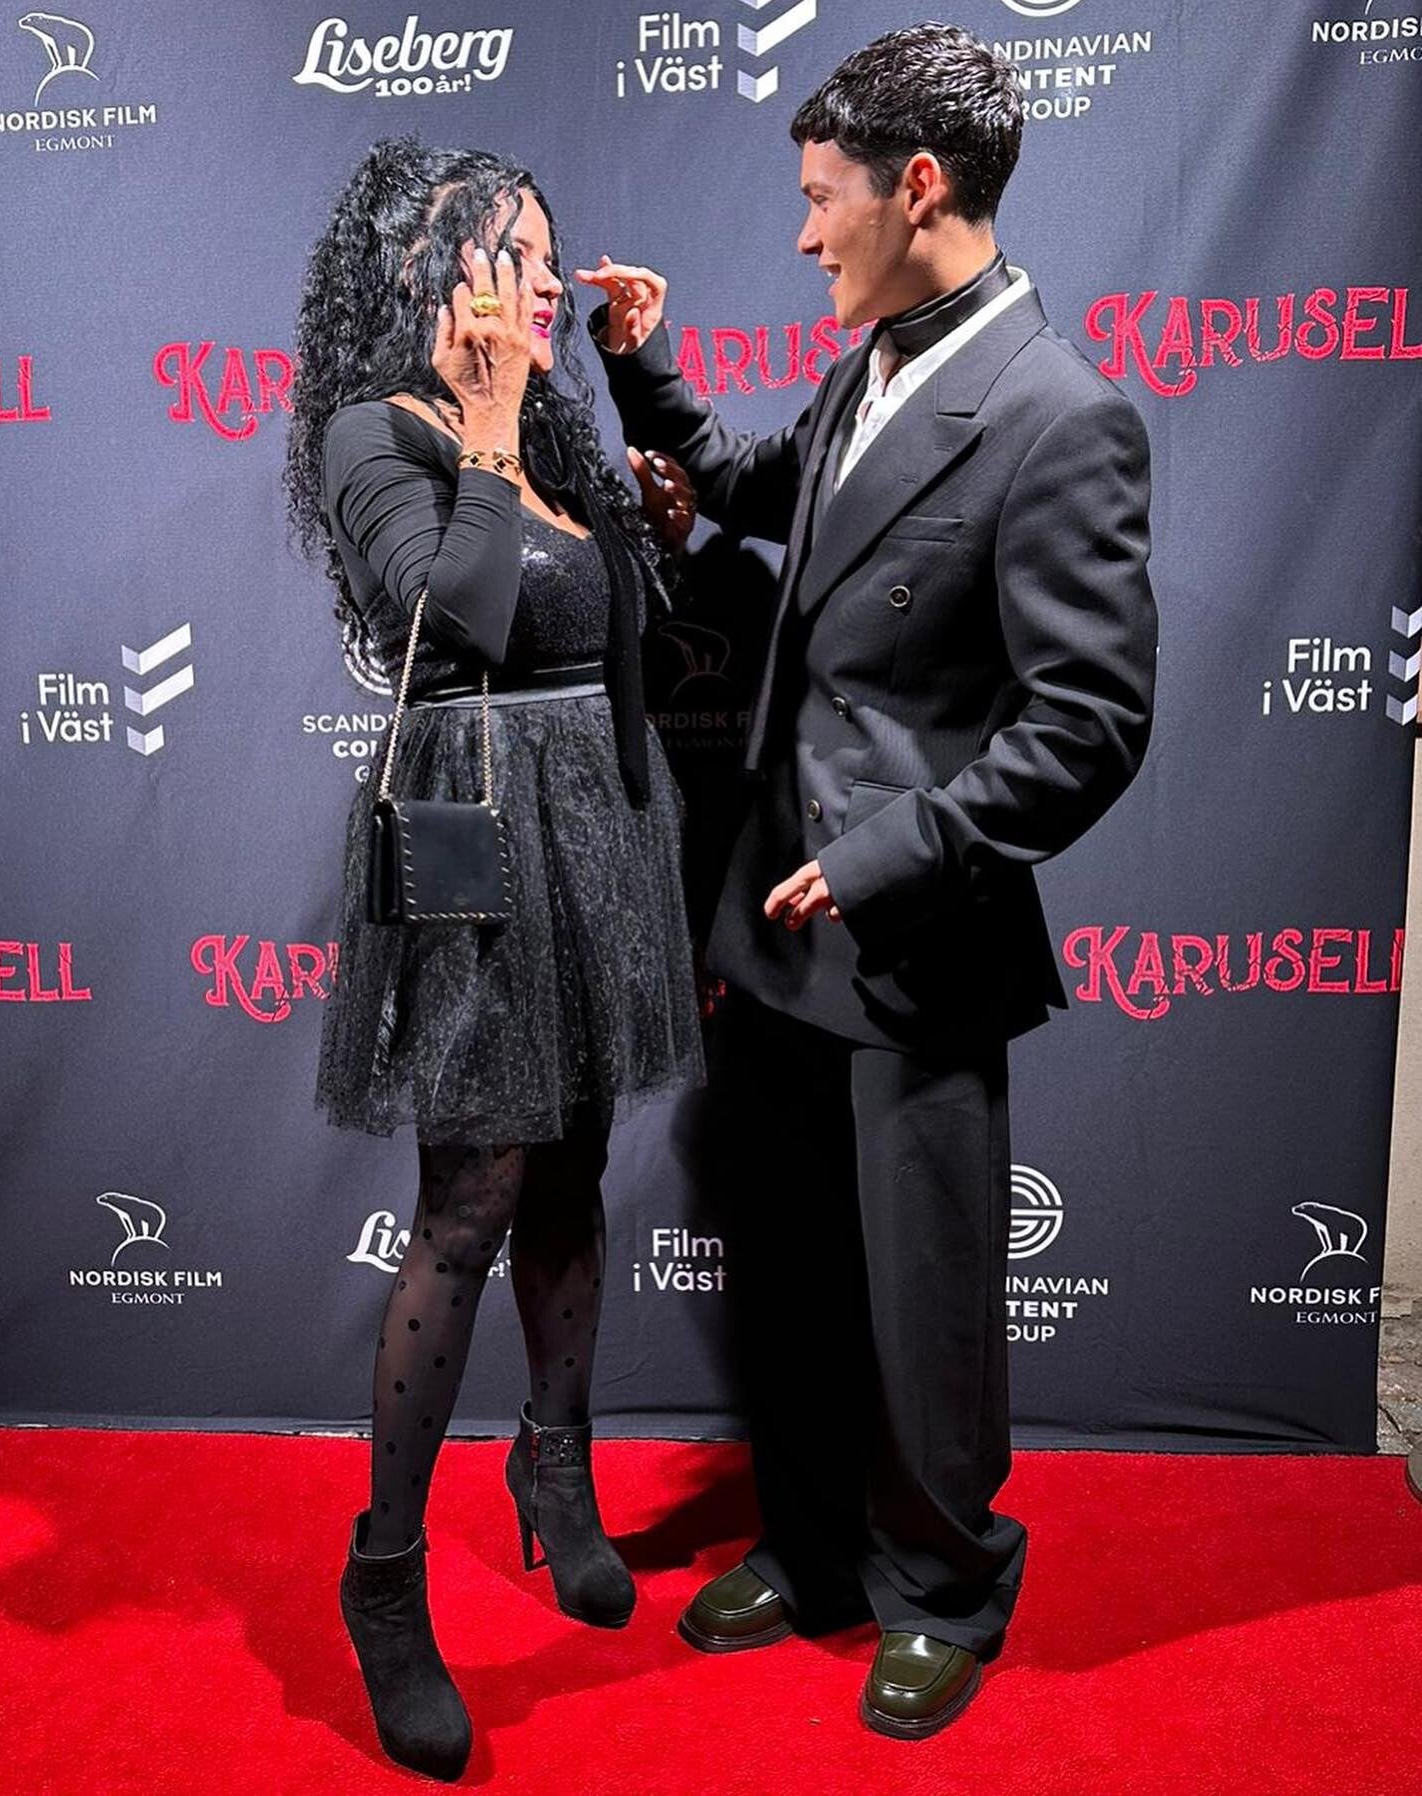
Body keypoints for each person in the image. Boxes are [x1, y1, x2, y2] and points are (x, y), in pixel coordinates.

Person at [579, 22, 1157, 1740]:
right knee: (796, 1274)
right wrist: (645, 372)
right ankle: (817, 1550)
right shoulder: (872, 365)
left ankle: (944, 1585)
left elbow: (1091, 725)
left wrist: (888, 856)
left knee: (921, 1296)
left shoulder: (1062, 416)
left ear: (918, 187)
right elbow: (759, 488)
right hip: (773, 925)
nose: (805, 232)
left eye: (823, 197)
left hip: (912, 934)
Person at [283, 137, 704, 1781]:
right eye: (509, 254)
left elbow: (612, 632)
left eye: (546, 250)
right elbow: (444, 616)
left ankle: (556, 1465)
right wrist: (477, 428)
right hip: (476, 860)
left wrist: (631, 456)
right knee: (470, 1203)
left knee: (578, 1164)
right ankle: (384, 1581)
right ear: (424, 272)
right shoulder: (377, 432)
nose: (542, 280)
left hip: (595, 845)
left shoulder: (547, 432)